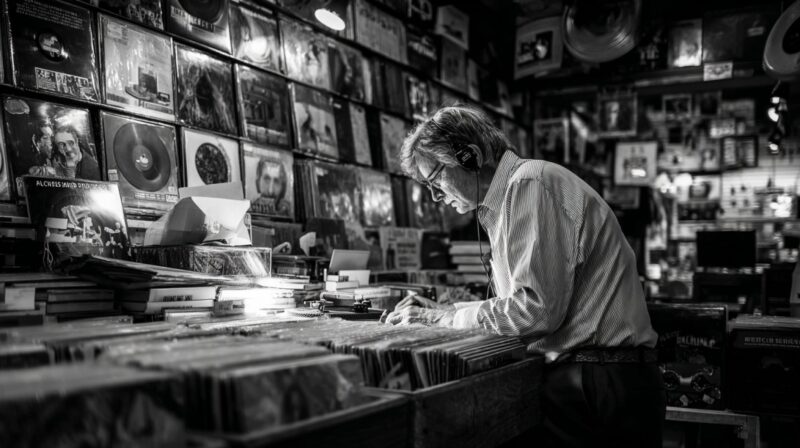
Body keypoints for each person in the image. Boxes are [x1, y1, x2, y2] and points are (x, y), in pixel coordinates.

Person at [385, 105, 664, 448]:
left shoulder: (528, 185)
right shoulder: (507, 198)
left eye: (435, 179)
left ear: (470, 156)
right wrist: (450, 312)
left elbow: (535, 311)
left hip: (599, 382)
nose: (435, 196)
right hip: (598, 377)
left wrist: (442, 318)